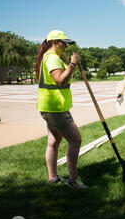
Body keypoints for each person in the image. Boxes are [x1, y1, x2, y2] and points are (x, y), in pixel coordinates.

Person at [35, 30, 88, 189]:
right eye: (63, 43)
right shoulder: (51, 58)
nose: (66, 46)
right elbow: (60, 80)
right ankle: (73, 180)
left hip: (49, 106)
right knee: (75, 140)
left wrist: (67, 61)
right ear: (54, 42)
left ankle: (53, 178)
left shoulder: (52, 57)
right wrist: (72, 63)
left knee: (54, 141)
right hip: (55, 108)